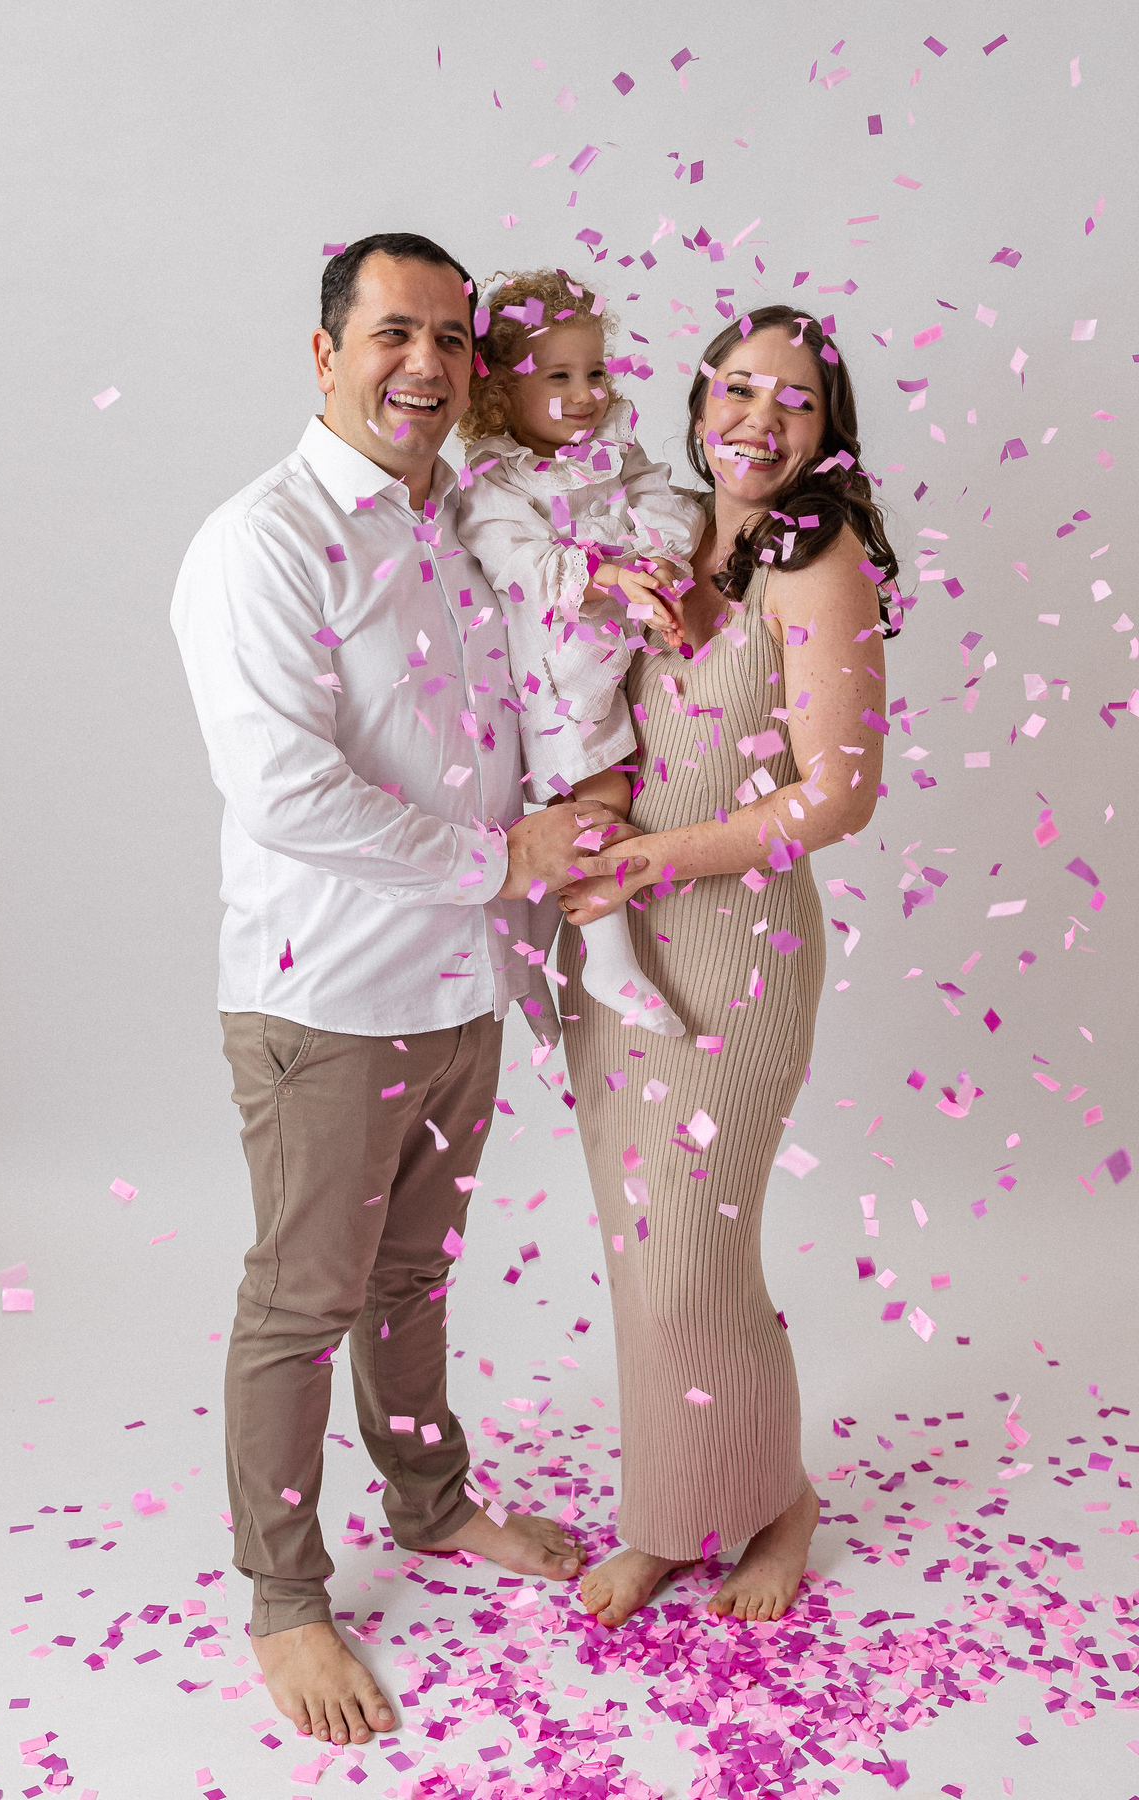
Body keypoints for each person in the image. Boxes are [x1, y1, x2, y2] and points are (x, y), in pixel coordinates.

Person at [170, 233, 648, 1748]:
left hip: (460, 988)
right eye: (394, 333)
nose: (427, 365)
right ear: (327, 353)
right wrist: (506, 858)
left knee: (411, 1278)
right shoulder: (264, 540)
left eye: (451, 337)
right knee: (303, 1300)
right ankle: (285, 1600)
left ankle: (431, 1506)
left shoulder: (465, 518)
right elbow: (285, 791)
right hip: (327, 998)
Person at [551, 304, 900, 1628]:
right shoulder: (664, 531)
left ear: (829, 431)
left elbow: (838, 796)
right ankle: (672, 1514)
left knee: (698, 1256)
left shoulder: (818, 563)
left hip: (737, 952)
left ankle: (777, 1504)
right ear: (698, 406)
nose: (761, 419)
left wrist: (656, 858)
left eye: (795, 400)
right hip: (619, 943)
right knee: (644, 1254)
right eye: (739, 389)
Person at [456, 268, 704, 1038]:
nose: (586, 393)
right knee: (597, 801)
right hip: (558, 668)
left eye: (594, 372)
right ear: (503, 392)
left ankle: (538, 951)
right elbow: (520, 563)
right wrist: (606, 574)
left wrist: (656, 558)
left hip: (625, 647)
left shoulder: (613, 449)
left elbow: (664, 501)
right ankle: (606, 958)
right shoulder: (496, 479)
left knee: (607, 796)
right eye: (557, 376)